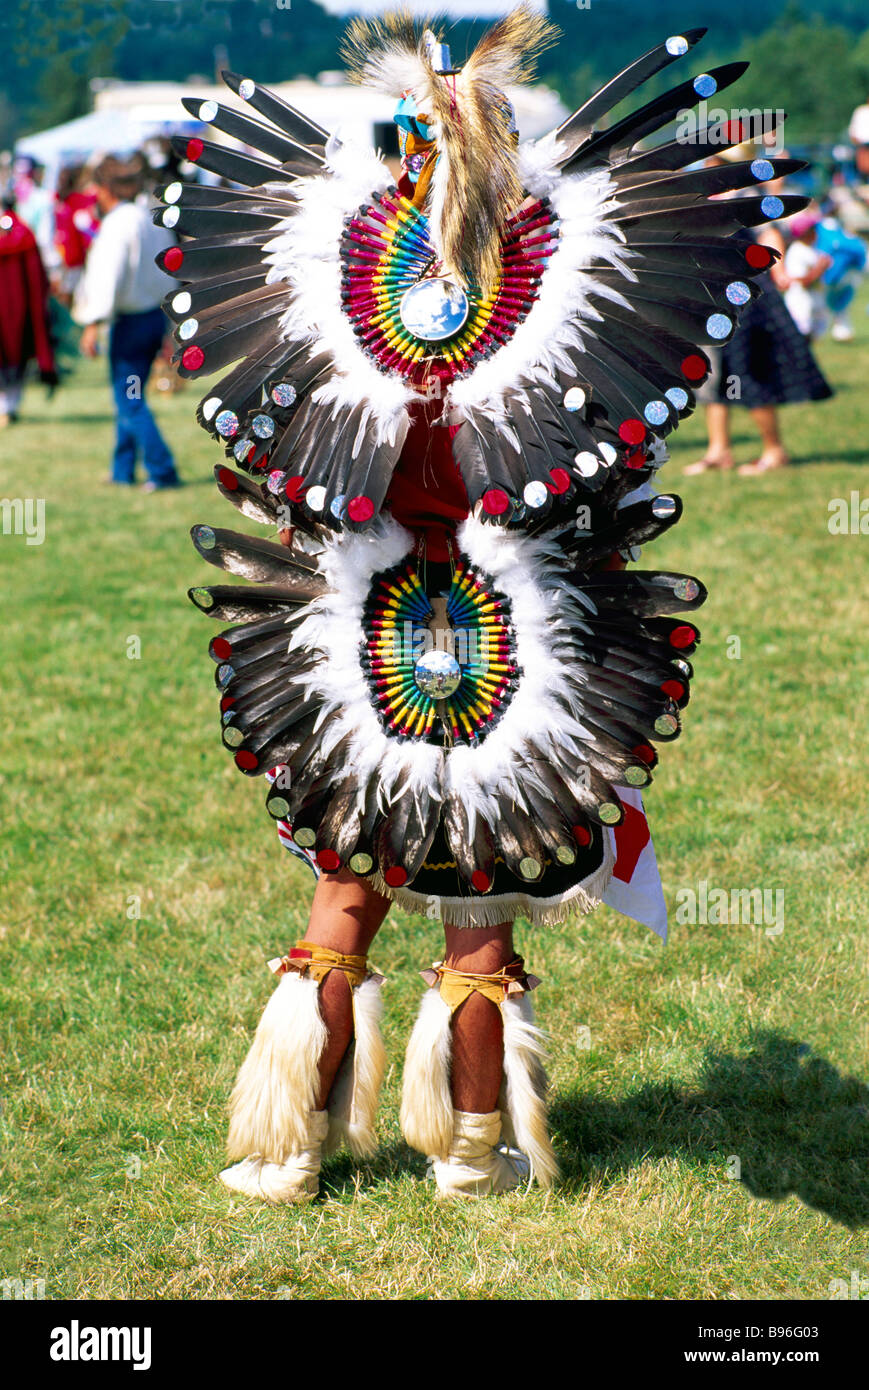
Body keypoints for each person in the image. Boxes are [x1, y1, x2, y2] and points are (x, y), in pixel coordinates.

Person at [168, 11, 809, 1201]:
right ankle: (472, 1151)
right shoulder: (556, 282)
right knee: (479, 907)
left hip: (357, 620)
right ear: (505, 155)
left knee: (346, 880)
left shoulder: (343, 275)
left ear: (409, 154)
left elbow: (276, 445)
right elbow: (607, 454)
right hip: (520, 624)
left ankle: (290, 1147)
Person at [685, 155, 833, 477]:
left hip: (748, 295)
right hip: (712, 296)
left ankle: (774, 450)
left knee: (749, 370)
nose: (709, 168)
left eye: (716, 162)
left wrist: (777, 271)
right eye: (709, 163)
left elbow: (769, 235)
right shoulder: (703, 199)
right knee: (714, 374)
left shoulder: (749, 197)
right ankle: (718, 449)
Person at [73, 156, 181, 491]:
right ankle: (122, 469)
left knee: (130, 398)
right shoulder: (150, 218)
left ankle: (162, 471)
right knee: (130, 395)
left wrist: (93, 322)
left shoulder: (118, 224)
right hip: (152, 319)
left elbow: (108, 277)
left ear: (105, 189)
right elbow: (169, 269)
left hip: (130, 326)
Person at [0, 192, 57, 425]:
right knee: (15, 359)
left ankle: (8, 408)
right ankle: (9, 406)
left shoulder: (21, 233)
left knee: (13, 357)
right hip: (20, 308)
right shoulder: (25, 233)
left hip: (15, 308)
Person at [783, 209, 832, 339]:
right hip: (800, 301)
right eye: (813, 229)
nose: (816, 233)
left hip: (813, 299)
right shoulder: (797, 251)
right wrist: (820, 268)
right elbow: (803, 281)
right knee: (802, 337)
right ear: (805, 233)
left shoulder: (812, 249)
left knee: (813, 336)